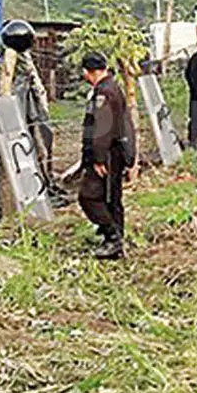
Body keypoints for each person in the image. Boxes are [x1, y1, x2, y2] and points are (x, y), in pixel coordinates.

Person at [77, 53, 134, 260]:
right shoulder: (111, 87)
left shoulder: (105, 92)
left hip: (108, 154)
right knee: (111, 197)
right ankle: (115, 239)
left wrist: (98, 159)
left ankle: (112, 237)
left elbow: (102, 128)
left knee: (88, 196)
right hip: (114, 151)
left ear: (88, 71)